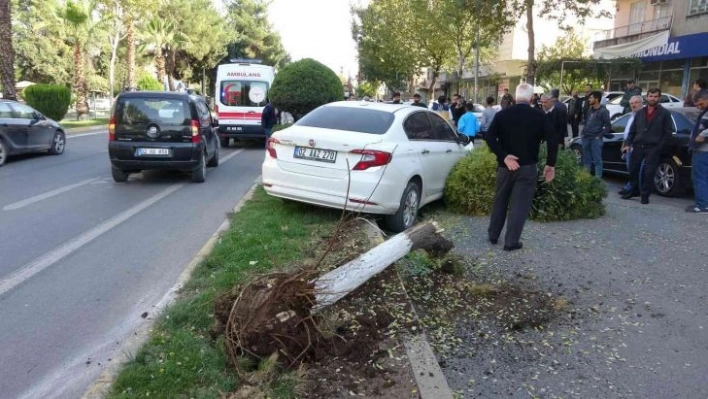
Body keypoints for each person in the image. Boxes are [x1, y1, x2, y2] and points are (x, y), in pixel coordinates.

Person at [485, 83, 558, 251]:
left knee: (500, 200)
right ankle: (511, 242)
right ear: (532, 98)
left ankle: (493, 235)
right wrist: (550, 164)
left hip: (505, 167)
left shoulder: (502, 114)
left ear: (515, 96)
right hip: (527, 167)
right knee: (520, 204)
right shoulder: (539, 116)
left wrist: (503, 156)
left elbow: (489, 137)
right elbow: (553, 139)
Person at [621, 88, 674, 204]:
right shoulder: (640, 113)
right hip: (638, 145)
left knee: (649, 172)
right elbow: (632, 130)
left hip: (653, 147)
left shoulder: (664, 113)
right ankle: (633, 191)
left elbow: (668, 134)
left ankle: (645, 195)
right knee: (633, 169)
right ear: (646, 97)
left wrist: (659, 147)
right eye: (650, 96)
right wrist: (628, 144)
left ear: (659, 98)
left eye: (655, 96)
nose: (652, 98)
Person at [685, 89, 708, 212]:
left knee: (699, 177)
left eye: (701, 103)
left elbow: (704, 129)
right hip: (700, 149)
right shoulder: (705, 111)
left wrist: (702, 135)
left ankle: (702, 205)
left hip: (703, 150)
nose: (699, 107)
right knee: (702, 177)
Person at [618, 95, 645, 196]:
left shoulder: (644, 116)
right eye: (632, 103)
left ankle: (632, 188)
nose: (634, 105)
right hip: (628, 146)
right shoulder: (631, 116)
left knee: (635, 169)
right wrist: (624, 145)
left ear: (642, 103)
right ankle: (631, 187)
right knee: (631, 169)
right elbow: (627, 132)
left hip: (638, 147)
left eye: (636, 102)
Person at [582, 91, 611, 178]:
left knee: (597, 161)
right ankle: (585, 179)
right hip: (586, 138)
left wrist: (600, 136)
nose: (589, 100)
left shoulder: (603, 111)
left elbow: (608, 126)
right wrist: (583, 133)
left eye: (591, 98)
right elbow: (586, 122)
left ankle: (597, 182)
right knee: (587, 160)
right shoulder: (590, 110)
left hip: (595, 139)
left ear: (597, 99)